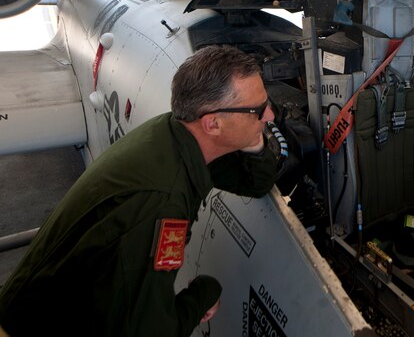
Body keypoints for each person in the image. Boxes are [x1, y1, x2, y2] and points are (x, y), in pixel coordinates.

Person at [0, 45, 284, 336]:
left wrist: (253, 135)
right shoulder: (160, 203)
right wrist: (204, 293)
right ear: (212, 123)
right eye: (258, 110)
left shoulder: (174, 135)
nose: (270, 115)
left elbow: (255, 183)